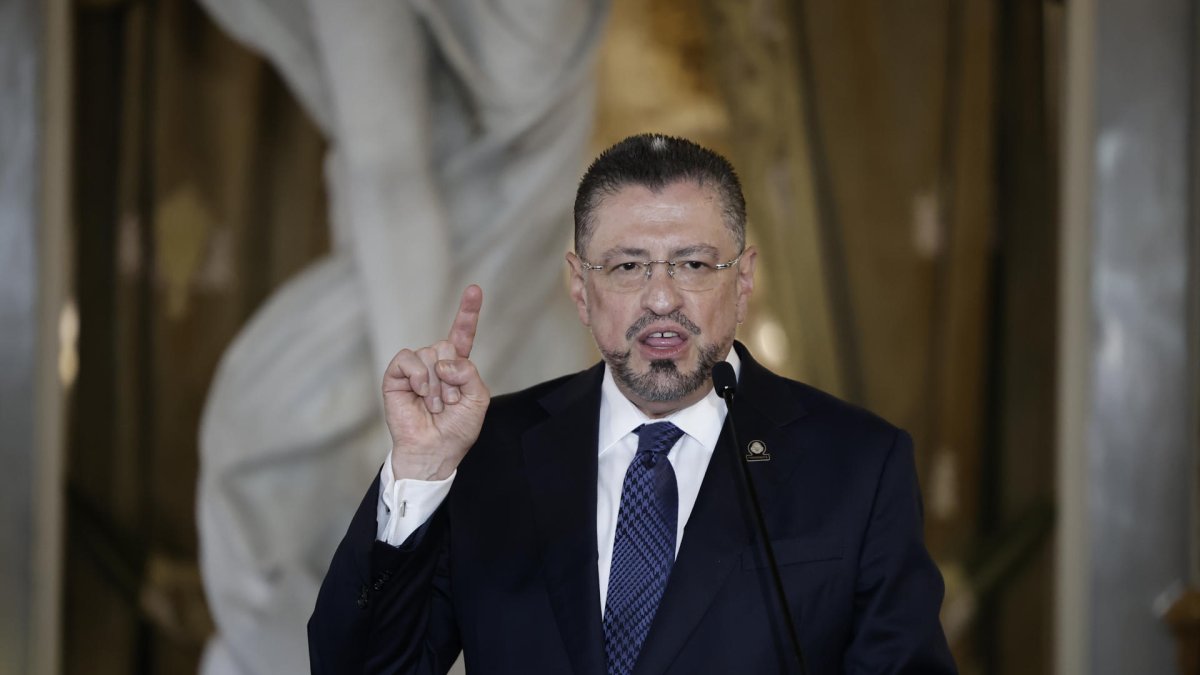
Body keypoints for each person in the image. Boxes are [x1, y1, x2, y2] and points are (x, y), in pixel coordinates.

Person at [308, 134, 957, 674]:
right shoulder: (488, 453)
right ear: (580, 288)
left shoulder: (857, 463)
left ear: (745, 279)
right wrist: (421, 471)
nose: (662, 298)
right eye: (627, 267)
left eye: (695, 264)